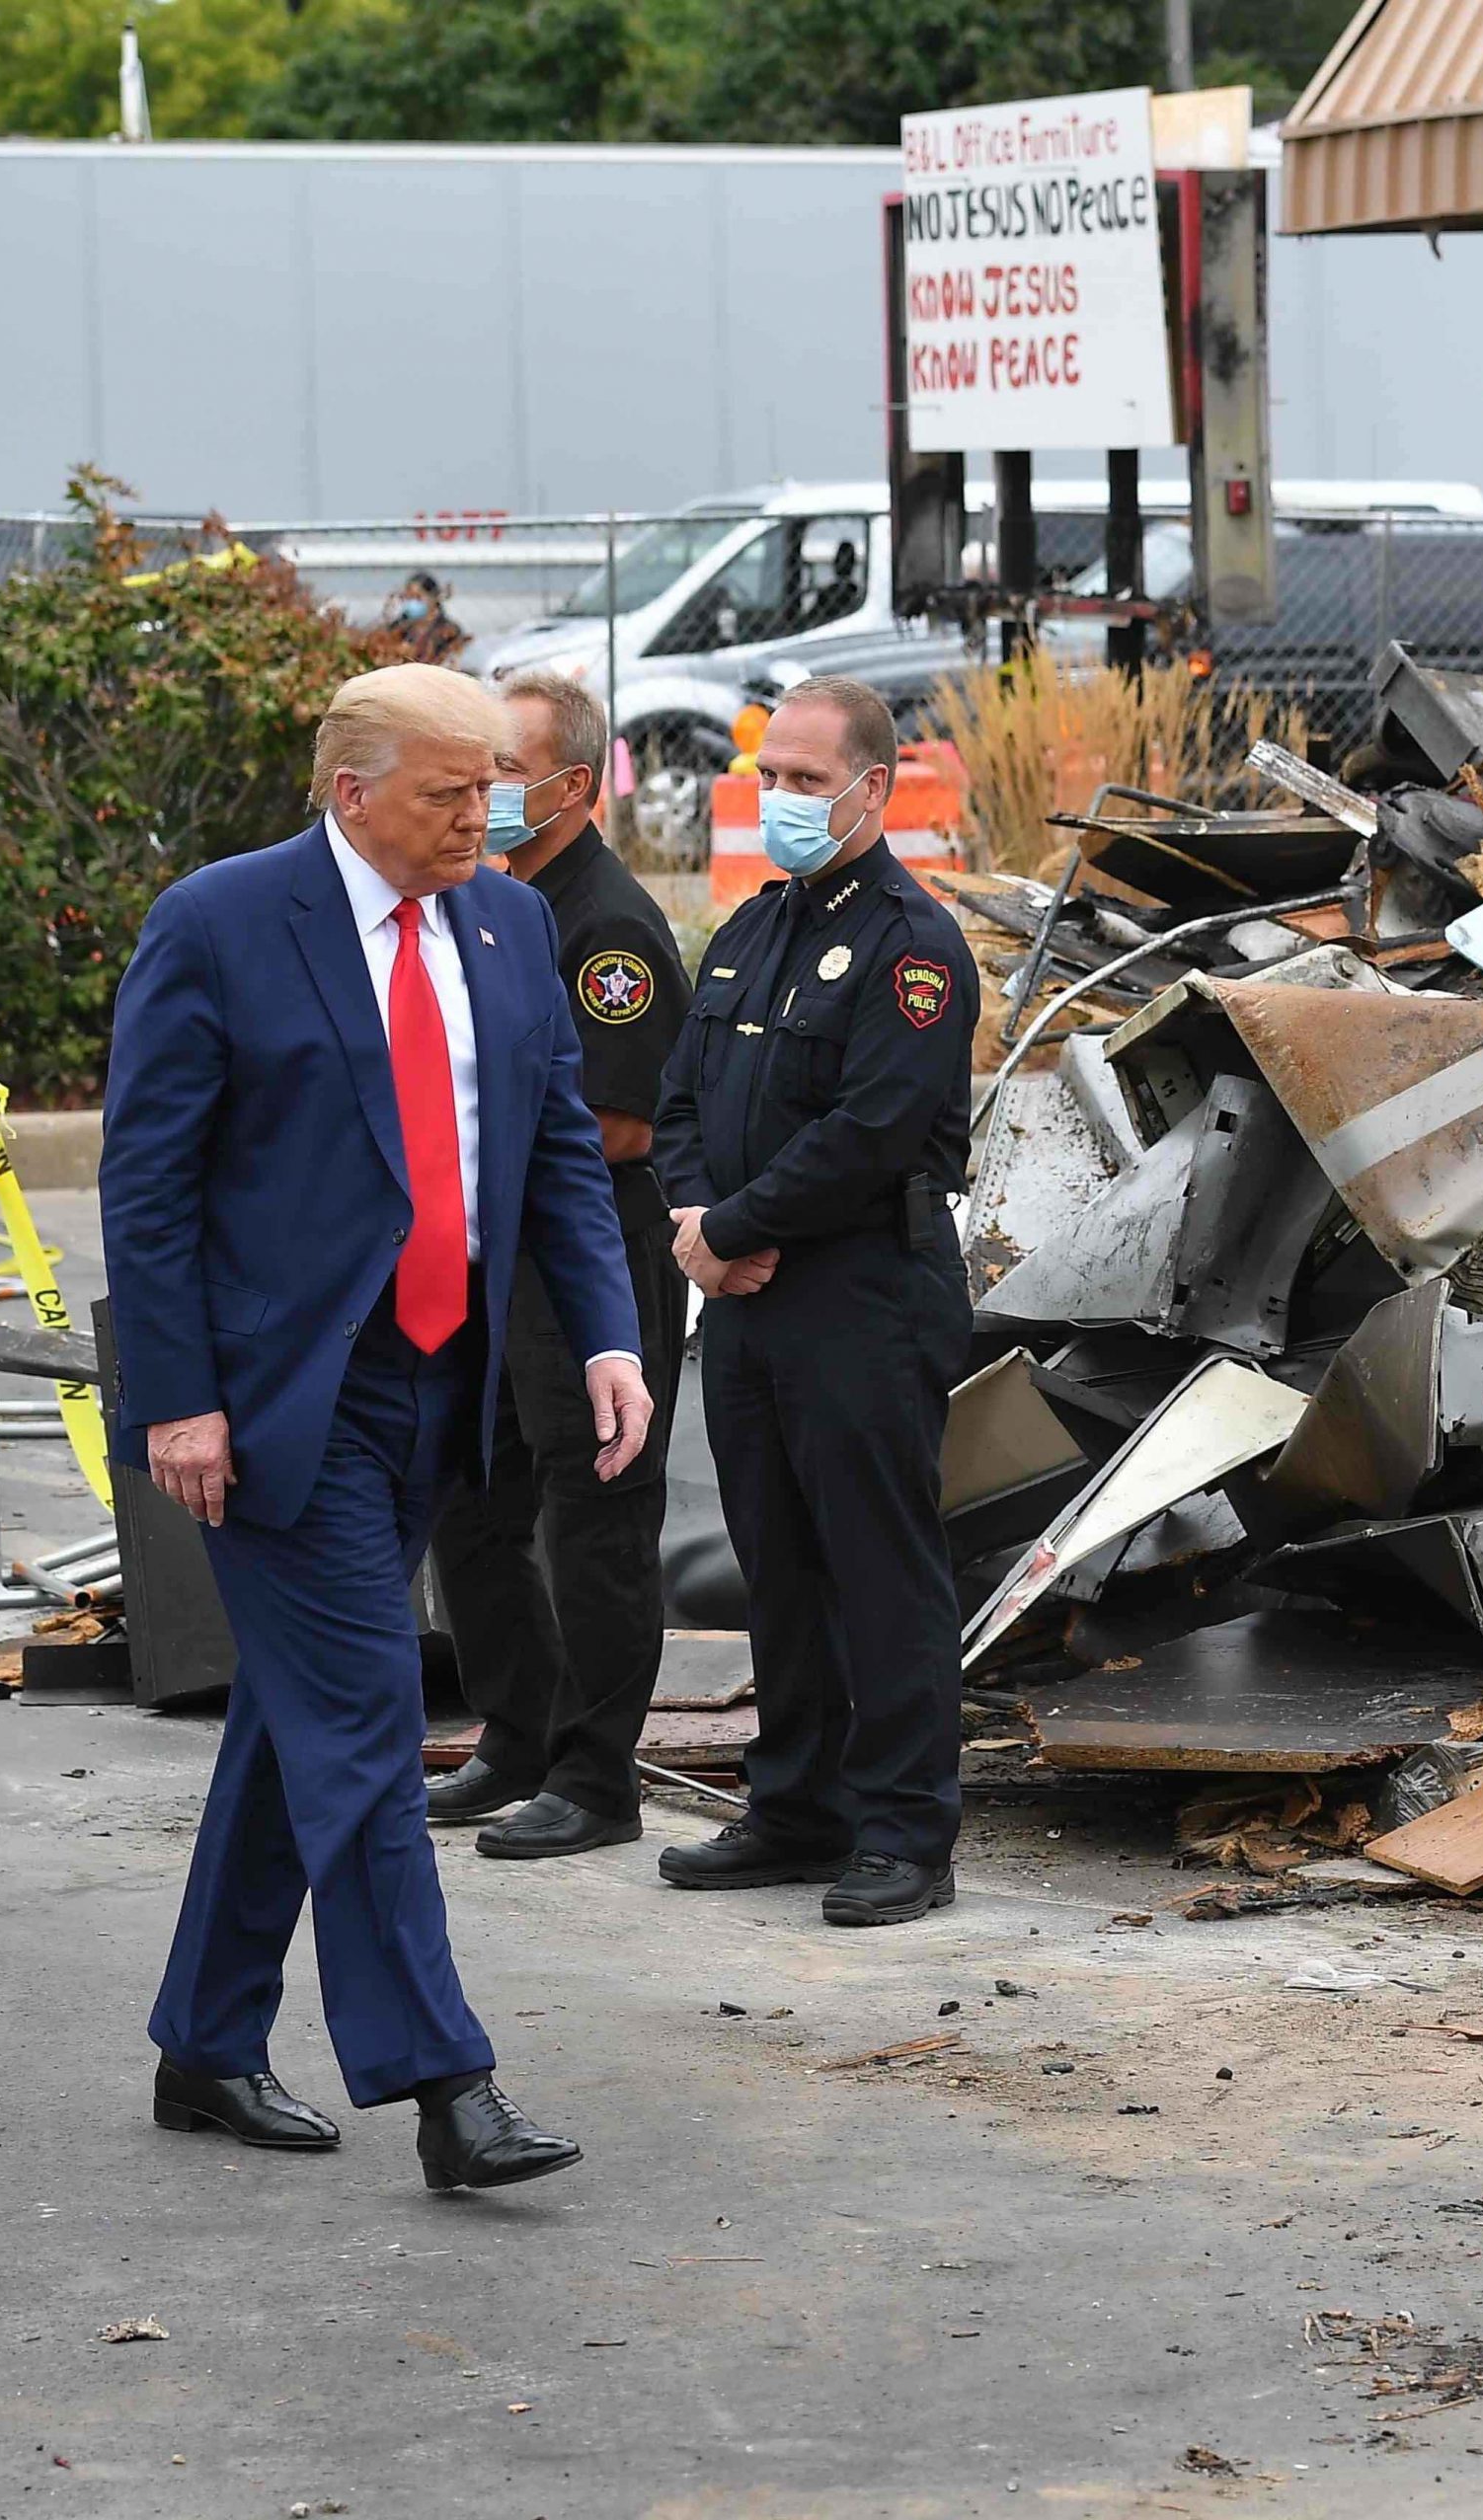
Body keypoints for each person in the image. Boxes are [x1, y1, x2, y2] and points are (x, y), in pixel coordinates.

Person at [101, 663, 654, 2192]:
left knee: (298, 1722)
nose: (482, 814)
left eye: (492, 788)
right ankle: (445, 2082)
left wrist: (605, 1330)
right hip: (287, 1400)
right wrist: (182, 1397)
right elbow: (148, 1188)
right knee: (360, 1722)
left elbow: (549, 1144)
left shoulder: (509, 922)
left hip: (446, 1381)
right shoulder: (219, 923)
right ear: (353, 795)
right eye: (447, 792)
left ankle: (207, 2039)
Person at [653, 676, 976, 1926]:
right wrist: (701, 1231)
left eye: (804, 778)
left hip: (862, 1297)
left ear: (871, 789)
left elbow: (876, 1128)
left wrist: (733, 1227)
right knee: (775, 1565)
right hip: (744, 1300)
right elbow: (680, 1101)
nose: (780, 796)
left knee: (878, 1572)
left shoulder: (910, 945)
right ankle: (796, 1806)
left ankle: (903, 1832)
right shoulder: (748, 931)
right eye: (768, 776)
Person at [426, 670, 691, 1857]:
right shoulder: (484, 903)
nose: (482, 797)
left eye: (502, 774)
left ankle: (595, 1778)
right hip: (490, 1252)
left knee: (592, 1517)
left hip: (592, 1247)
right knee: (474, 1501)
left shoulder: (607, 929)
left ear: (572, 786)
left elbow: (624, 1123)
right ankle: (515, 1732)